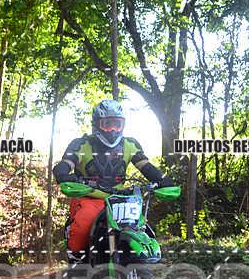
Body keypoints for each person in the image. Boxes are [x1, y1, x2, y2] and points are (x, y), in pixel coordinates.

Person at [53, 99, 172, 254]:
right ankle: (76, 258)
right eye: (107, 124)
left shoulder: (130, 145)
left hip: (122, 200)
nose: (113, 130)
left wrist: (162, 180)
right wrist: (62, 174)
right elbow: (66, 163)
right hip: (89, 197)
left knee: (141, 229)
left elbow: (146, 166)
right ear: (96, 124)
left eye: (118, 124)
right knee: (81, 231)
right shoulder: (81, 144)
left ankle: (139, 261)